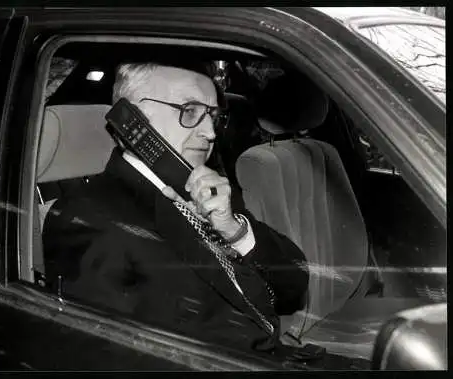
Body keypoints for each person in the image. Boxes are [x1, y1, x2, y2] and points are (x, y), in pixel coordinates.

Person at [42, 61, 309, 353]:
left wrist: (235, 231)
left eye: (213, 116)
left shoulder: (210, 190)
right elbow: (110, 355)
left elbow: (295, 282)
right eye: (190, 111)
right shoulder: (87, 218)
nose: (210, 132)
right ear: (134, 118)